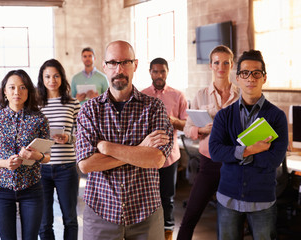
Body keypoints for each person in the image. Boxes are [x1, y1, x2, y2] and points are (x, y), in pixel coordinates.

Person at [75, 40, 174, 240]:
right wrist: (139, 149)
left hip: (146, 213)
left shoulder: (154, 108)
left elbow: (156, 160)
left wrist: (106, 147)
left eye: (125, 62)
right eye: (113, 63)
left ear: (135, 65)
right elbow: (86, 165)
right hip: (101, 212)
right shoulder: (90, 110)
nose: (119, 69)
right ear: (104, 66)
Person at [209, 50, 288, 240]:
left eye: (256, 73)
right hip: (228, 196)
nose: (250, 78)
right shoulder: (224, 115)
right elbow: (215, 151)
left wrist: (235, 155)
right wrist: (249, 150)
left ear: (264, 78)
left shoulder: (277, 116)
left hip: (262, 199)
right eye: (245, 73)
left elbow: (274, 160)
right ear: (237, 78)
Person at [0, 69, 50, 240]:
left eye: (23, 87)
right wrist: (5, 163)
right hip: (1, 190)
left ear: (29, 91)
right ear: (5, 91)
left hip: (31, 188)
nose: (17, 92)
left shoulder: (39, 119)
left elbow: (47, 156)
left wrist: (36, 156)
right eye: (12, 87)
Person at [177, 45, 240, 240]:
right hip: (208, 164)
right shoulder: (201, 95)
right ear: (210, 66)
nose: (221, 66)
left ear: (231, 65)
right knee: (190, 216)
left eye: (226, 62)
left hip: (233, 165)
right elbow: (187, 128)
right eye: (216, 62)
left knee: (229, 221)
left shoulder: (240, 96)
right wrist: (201, 130)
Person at [141, 57, 188, 240]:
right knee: (147, 197)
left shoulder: (178, 96)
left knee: (167, 198)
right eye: (155, 71)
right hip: (146, 157)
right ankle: (148, 233)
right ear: (150, 72)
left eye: (162, 71)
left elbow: (188, 125)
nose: (159, 75)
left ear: (167, 72)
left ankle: (167, 234)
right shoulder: (142, 95)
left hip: (169, 157)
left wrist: (173, 121)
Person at [37, 59, 80, 240]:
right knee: (44, 222)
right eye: (47, 76)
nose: (52, 80)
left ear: (62, 77)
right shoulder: (35, 105)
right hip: (40, 168)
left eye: (56, 76)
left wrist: (68, 138)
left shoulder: (73, 103)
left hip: (67, 168)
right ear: (42, 79)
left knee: (70, 218)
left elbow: (82, 134)